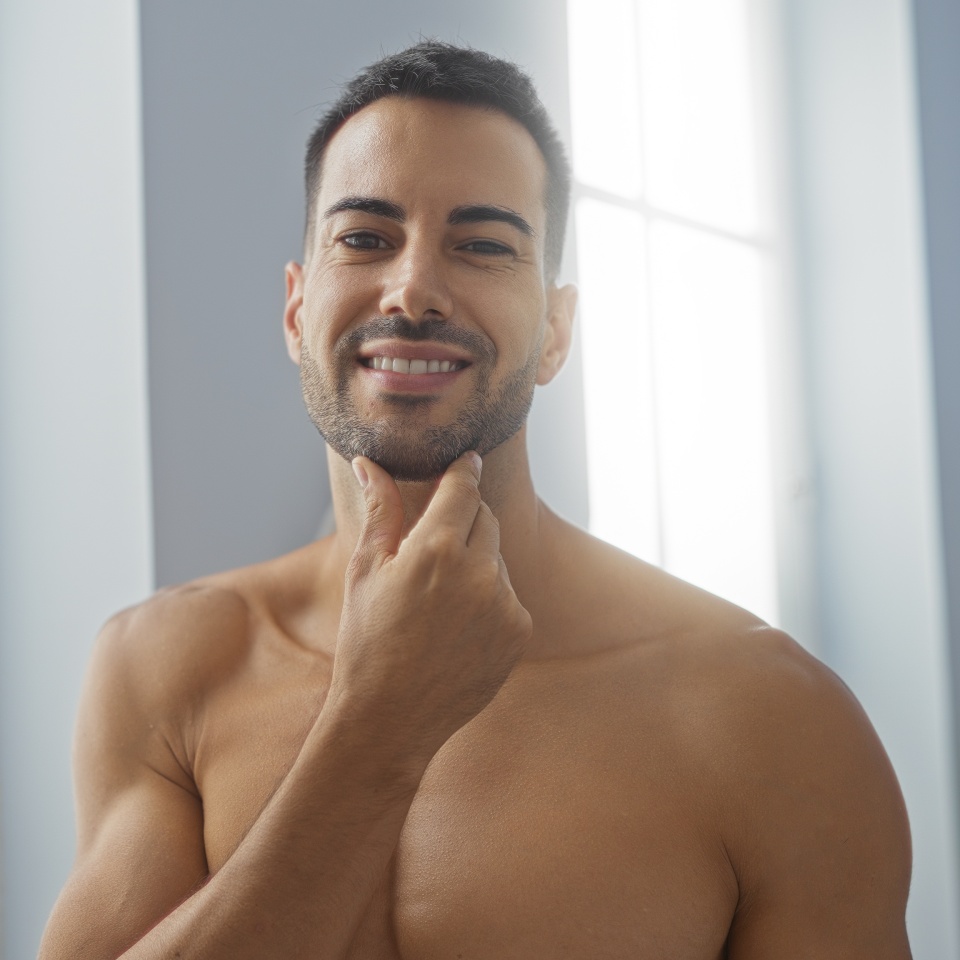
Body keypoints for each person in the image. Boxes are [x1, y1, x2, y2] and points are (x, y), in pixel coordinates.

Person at [40, 41, 912, 960]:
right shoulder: (167, 667)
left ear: (555, 332)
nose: (412, 288)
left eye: (485, 246)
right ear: (298, 314)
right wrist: (379, 721)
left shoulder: (771, 719)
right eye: (365, 238)